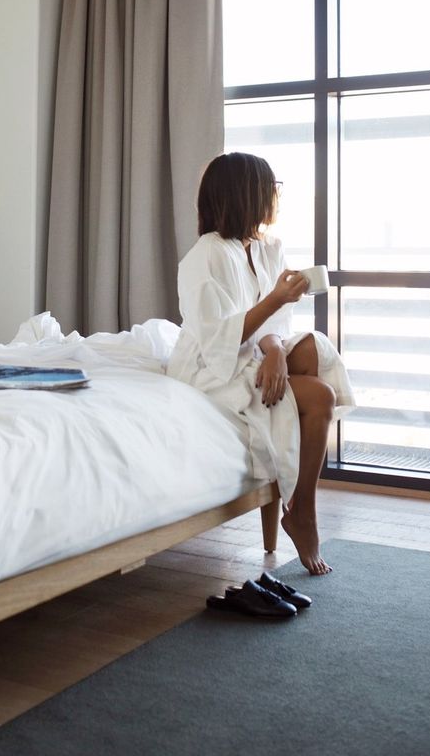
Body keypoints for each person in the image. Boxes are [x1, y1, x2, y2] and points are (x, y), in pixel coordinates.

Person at [167, 151, 355, 575]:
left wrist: (274, 351)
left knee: (307, 351)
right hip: (212, 363)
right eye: (272, 187)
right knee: (319, 396)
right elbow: (217, 335)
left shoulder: (269, 247)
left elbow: (277, 323)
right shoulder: (204, 257)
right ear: (246, 193)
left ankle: (296, 492)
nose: (276, 195)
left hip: (254, 348)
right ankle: (302, 509)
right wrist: (275, 300)